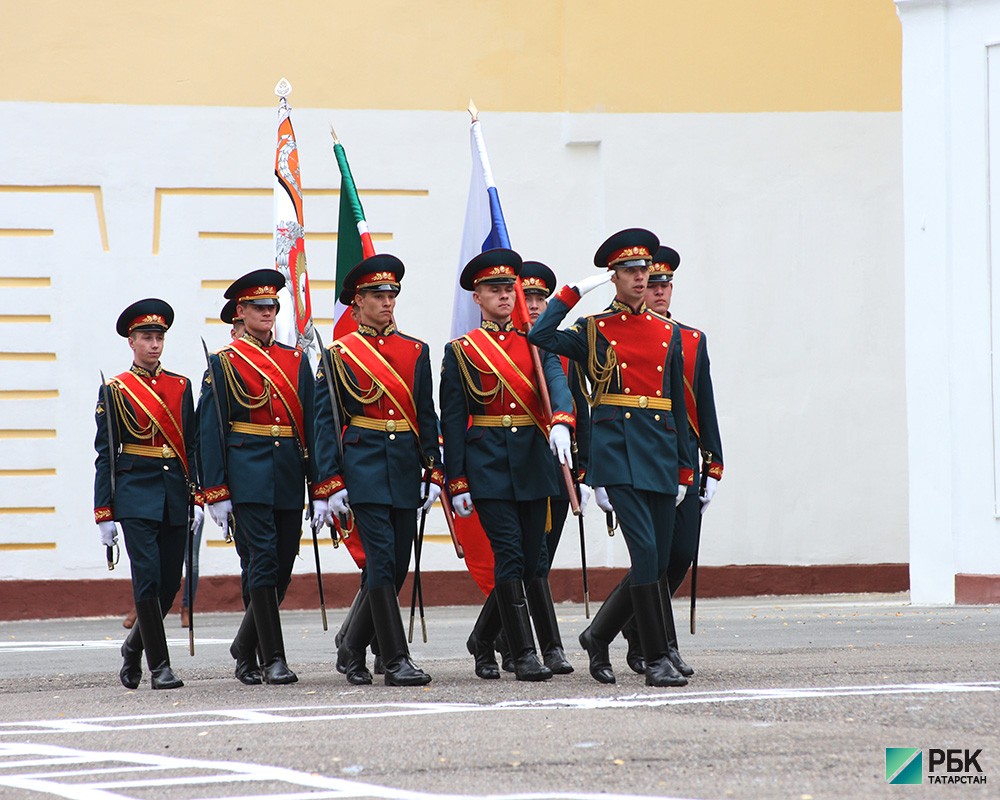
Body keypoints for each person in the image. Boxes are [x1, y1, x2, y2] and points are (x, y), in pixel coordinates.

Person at [527, 228, 696, 687]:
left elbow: (677, 404)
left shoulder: (668, 332)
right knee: (644, 553)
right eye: (629, 271)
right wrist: (572, 293)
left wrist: (686, 465)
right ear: (614, 277)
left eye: (644, 270)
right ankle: (656, 657)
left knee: (657, 560)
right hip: (618, 453)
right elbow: (540, 335)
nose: (640, 279)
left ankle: (598, 635)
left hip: (660, 450)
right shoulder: (593, 329)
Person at [440, 248, 576, 682]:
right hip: (489, 466)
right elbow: (452, 419)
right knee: (511, 555)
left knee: (534, 562)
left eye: (507, 288)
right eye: (493, 289)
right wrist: (456, 480)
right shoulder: (461, 351)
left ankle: (482, 640)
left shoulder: (536, 343)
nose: (503, 296)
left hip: (534, 464)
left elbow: (557, 383)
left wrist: (561, 420)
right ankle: (522, 653)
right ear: (476, 297)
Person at [313, 253, 442, 687]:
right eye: (377, 295)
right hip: (364, 466)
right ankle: (394, 658)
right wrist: (330, 483)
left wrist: (434, 470)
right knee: (383, 563)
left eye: (391, 294)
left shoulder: (415, 350)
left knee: (395, 565)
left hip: (405, 467)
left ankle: (351, 644)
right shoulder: (339, 355)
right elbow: (326, 423)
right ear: (357, 303)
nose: (387, 301)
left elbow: (426, 415)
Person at [200, 269, 318, 685]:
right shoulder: (224, 363)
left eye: (272, 306)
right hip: (246, 474)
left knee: (281, 565)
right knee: (262, 561)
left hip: (287, 473)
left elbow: (312, 425)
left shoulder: (294, 360)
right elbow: (211, 431)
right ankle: (273, 658)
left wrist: (321, 485)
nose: (268, 312)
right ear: (241, 312)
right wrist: (214, 490)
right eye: (259, 307)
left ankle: (243, 647)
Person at [94, 298, 202, 690]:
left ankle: (132, 647)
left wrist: (199, 494)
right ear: (131, 341)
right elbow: (105, 455)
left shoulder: (180, 386)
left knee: (171, 583)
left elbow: (191, 445)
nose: (154, 344)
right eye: (146, 337)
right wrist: (103, 511)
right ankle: (161, 667)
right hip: (136, 494)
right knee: (148, 580)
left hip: (174, 492)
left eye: (158, 337)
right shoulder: (117, 390)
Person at [517, 259, 593, 674]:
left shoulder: (561, 349)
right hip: (518, 469)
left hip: (560, 469)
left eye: (539, 298)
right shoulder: (501, 349)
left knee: (537, 560)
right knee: (529, 559)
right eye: (526, 297)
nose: (532, 305)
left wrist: (583, 472)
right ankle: (549, 647)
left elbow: (581, 408)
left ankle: (486, 636)